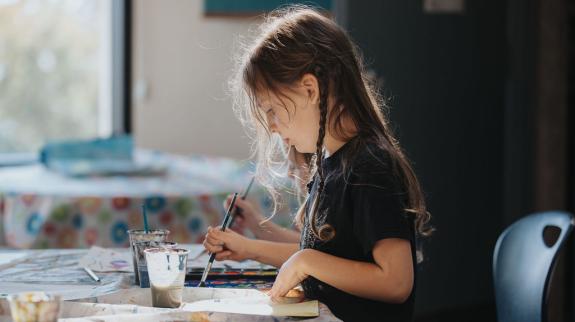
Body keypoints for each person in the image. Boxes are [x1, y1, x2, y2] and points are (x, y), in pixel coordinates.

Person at [204, 7, 432, 321]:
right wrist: (257, 235)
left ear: (311, 90)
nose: (272, 126)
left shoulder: (370, 166)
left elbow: (396, 281)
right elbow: (327, 257)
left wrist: (306, 261)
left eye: (272, 110)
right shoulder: (330, 162)